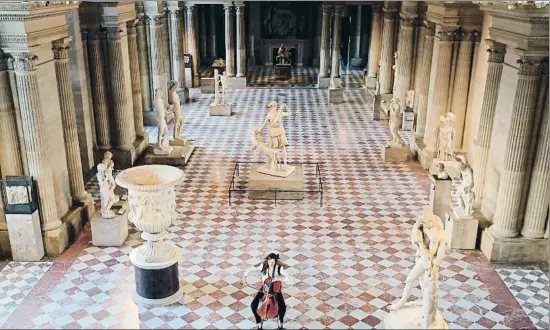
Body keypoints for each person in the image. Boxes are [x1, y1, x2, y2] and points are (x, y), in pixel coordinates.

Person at [243, 253, 290, 330]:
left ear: (275, 261)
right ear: (267, 261)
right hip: (265, 288)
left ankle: (280, 322)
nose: (271, 264)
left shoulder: (279, 268)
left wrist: (278, 278)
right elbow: (250, 269)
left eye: (273, 262)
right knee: (253, 305)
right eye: (269, 262)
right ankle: (259, 323)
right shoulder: (263, 266)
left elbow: (287, 278)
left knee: (283, 307)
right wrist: (245, 276)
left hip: (275, 290)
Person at [258, 101, 291, 167]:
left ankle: (273, 165)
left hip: (273, 133)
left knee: (273, 149)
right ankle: (285, 164)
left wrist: (259, 131)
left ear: (271, 107)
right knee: (283, 148)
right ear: (276, 106)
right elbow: (289, 113)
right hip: (281, 131)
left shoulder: (269, 115)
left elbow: (264, 125)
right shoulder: (280, 113)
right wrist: (285, 106)